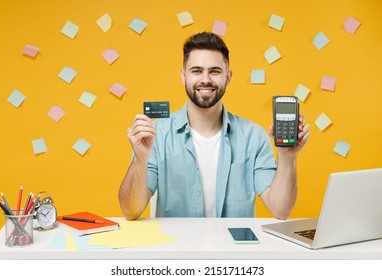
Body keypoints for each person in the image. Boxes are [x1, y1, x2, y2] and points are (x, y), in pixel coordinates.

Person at [118, 32, 310, 221]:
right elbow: (131, 211)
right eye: (196, 71)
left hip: (234, 252)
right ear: (183, 76)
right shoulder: (156, 135)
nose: (206, 79)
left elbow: (281, 209)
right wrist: (140, 160)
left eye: (215, 71)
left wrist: (287, 156)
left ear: (228, 77)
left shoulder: (254, 136)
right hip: (177, 250)